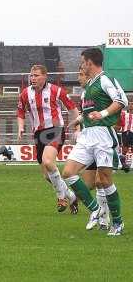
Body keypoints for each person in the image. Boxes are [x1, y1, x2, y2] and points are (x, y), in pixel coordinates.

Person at [62, 48, 128, 236]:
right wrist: (78, 120)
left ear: (90, 62)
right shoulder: (89, 87)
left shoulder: (105, 79)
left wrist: (104, 114)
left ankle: (117, 222)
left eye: (83, 62)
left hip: (103, 136)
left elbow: (121, 100)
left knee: (105, 180)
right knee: (68, 172)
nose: (81, 65)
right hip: (87, 135)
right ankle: (95, 209)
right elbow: (89, 111)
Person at [17, 64, 79, 214]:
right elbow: (20, 112)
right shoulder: (25, 93)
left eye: (36, 75)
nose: (33, 78)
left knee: (48, 161)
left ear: (45, 76)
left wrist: (77, 127)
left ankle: (61, 197)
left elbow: (72, 108)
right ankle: (71, 196)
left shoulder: (56, 90)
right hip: (38, 134)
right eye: (31, 75)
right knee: (46, 175)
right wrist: (20, 127)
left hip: (55, 130)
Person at [72, 66, 110, 230]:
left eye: (80, 75)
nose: (78, 78)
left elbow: (110, 110)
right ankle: (96, 211)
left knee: (101, 181)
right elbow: (85, 115)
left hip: (102, 140)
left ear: (88, 76)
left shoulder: (99, 90)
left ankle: (104, 219)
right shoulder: (84, 94)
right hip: (88, 141)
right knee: (89, 184)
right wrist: (78, 125)